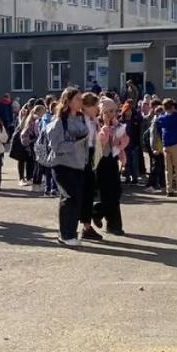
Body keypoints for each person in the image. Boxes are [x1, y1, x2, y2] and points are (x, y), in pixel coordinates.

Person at [45, 87, 90, 247]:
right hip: (62, 165)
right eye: (77, 99)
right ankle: (65, 235)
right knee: (69, 198)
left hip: (78, 164)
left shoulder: (81, 118)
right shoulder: (58, 121)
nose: (80, 102)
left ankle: (70, 233)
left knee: (76, 199)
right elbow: (55, 146)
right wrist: (74, 143)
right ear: (68, 101)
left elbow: (86, 141)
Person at [96, 97, 129, 236]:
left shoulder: (117, 124)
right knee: (107, 193)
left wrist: (121, 142)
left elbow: (125, 140)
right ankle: (111, 223)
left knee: (116, 192)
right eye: (107, 111)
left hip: (113, 159)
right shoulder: (97, 124)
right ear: (101, 112)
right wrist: (105, 129)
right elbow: (99, 143)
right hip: (101, 161)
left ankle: (101, 214)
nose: (110, 114)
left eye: (113, 111)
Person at [77, 93, 101, 241]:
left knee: (90, 191)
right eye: (95, 106)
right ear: (86, 106)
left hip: (92, 154)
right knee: (83, 192)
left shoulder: (93, 120)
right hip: (82, 156)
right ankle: (83, 226)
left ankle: (87, 225)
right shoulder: (79, 119)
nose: (97, 109)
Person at [156, 98, 177, 196]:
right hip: (176, 144)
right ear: (172, 107)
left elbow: (158, 128)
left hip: (166, 145)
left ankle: (169, 190)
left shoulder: (161, 118)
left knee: (168, 169)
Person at [146, 102, 166, 193]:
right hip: (157, 148)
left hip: (161, 148)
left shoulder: (159, 121)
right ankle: (152, 185)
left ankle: (162, 185)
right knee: (156, 167)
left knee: (161, 167)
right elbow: (153, 136)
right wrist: (154, 148)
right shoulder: (155, 122)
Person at [121, 101, 143, 186]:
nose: (129, 112)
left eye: (130, 110)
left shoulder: (135, 121)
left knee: (134, 163)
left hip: (134, 144)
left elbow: (138, 133)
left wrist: (138, 144)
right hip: (125, 145)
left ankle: (134, 178)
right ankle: (127, 178)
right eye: (127, 110)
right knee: (126, 163)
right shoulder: (121, 122)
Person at [9, 106, 33, 184]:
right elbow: (21, 127)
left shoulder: (32, 117)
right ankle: (21, 178)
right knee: (21, 159)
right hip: (20, 140)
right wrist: (24, 117)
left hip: (29, 140)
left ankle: (29, 177)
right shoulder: (20, 117)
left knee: (29, 160)